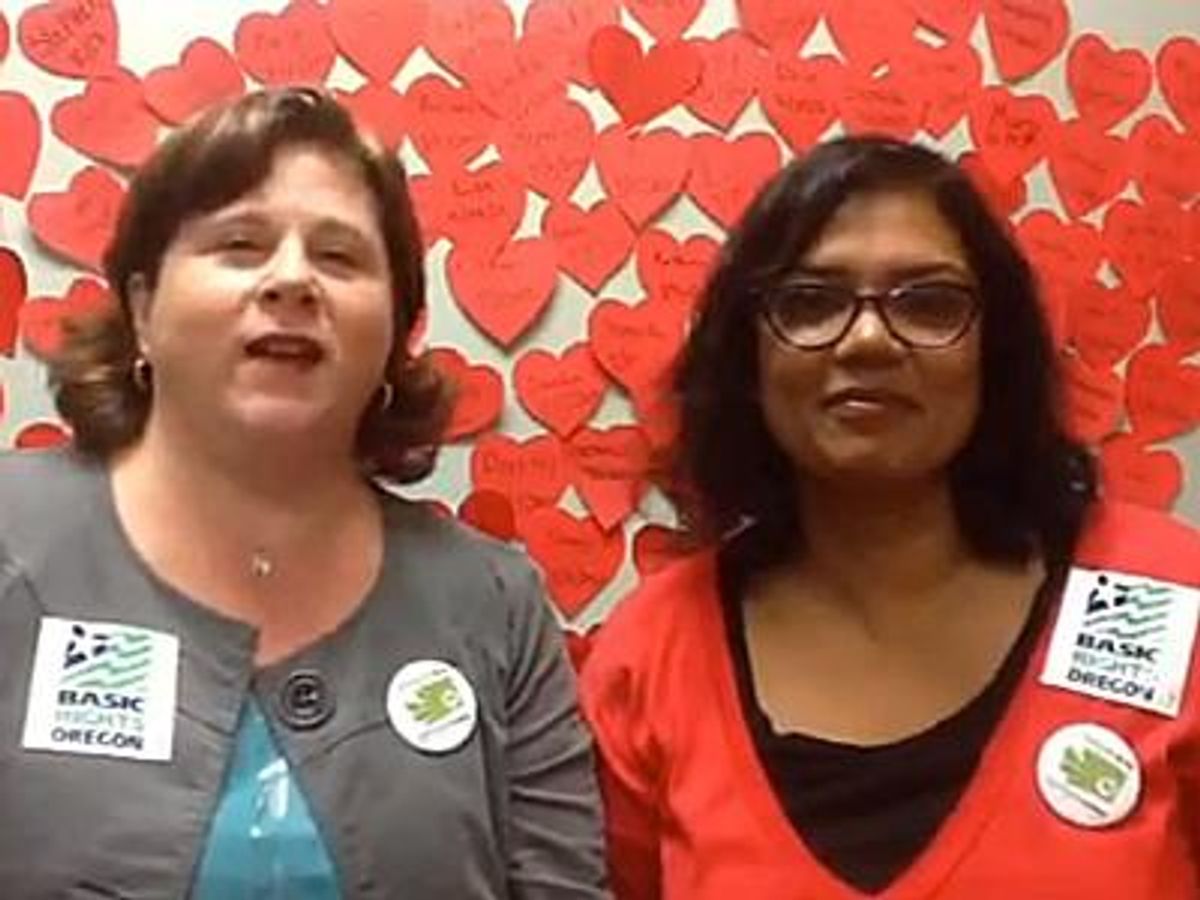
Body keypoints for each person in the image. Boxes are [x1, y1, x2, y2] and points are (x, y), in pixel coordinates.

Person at [0, 87, 609, 899]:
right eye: (240, 245)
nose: (292, 280)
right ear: (143, 310)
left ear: (395, 331)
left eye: (339, 257)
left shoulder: (493, 603)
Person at [580, 136, 1200, 899]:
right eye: (811, 302)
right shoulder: (654, 653)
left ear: (994, 350)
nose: (869, 341)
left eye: (929, 303)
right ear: (748, 360)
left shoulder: (1163, 594)